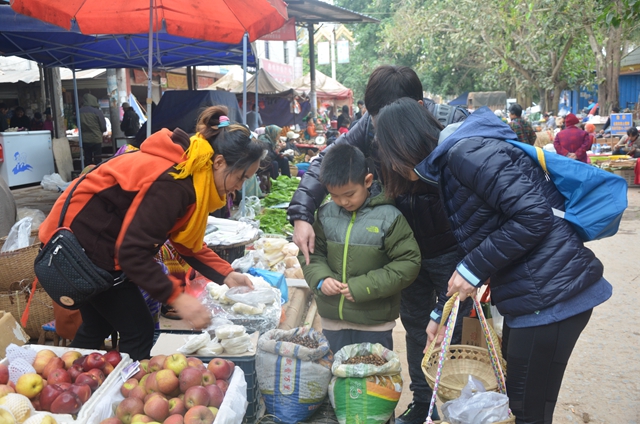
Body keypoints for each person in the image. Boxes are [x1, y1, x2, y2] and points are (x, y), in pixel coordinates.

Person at [374, 98, 612, 422]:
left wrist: (473, 269)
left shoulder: (465, 154)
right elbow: (478, 244)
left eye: (389, 156)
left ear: (402, 143)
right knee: (528, 406)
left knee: (523, 411)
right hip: (541, 295)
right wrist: (440, 314)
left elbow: (533, 216)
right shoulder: (452, 162)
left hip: (549, 296)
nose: (391, 167)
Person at [288, 65, 469, 423]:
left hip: (452, 248)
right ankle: (423, 404)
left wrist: (480, 261)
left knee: (454, 329)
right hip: (400, 245)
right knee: (416, 326)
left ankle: (456, 408)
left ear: (417, 108)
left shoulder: (454, 126)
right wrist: (302, 214)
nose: (379, 131)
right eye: (373, 120)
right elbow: (327, 162)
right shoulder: (370, 126)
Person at [38, 106, 263, 360]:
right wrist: (177, 297)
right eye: (241, 177)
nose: (239, 186)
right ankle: (124, 384)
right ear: (219, 162)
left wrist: (227, 274)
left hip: (93, 243)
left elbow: (186, 242)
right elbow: (132, 253)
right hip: (81, 247)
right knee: (139, 331)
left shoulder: (193, 173)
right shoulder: (175, 182)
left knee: (98, 325)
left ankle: (67, 374)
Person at [300, 144, 421, 353]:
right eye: (334, 195)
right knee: (335, 371)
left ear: (367, 181)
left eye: (349, 194)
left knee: (373, 374)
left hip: (374, 324)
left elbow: (408, 263)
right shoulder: (325, 214)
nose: (343, 201)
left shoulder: (389, 217)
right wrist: (321, 279)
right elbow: (312, 254)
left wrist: (364, 286)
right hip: (333, 321)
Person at [79, 93, 107, 165]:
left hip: (85, 139)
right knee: (97, 158)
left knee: (87, 158)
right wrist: (102, 131)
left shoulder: (79, 111)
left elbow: (77, 124)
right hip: (96, 139)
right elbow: (103, 126)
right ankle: (98, 171)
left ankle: (88, 171)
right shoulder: (97, 112)